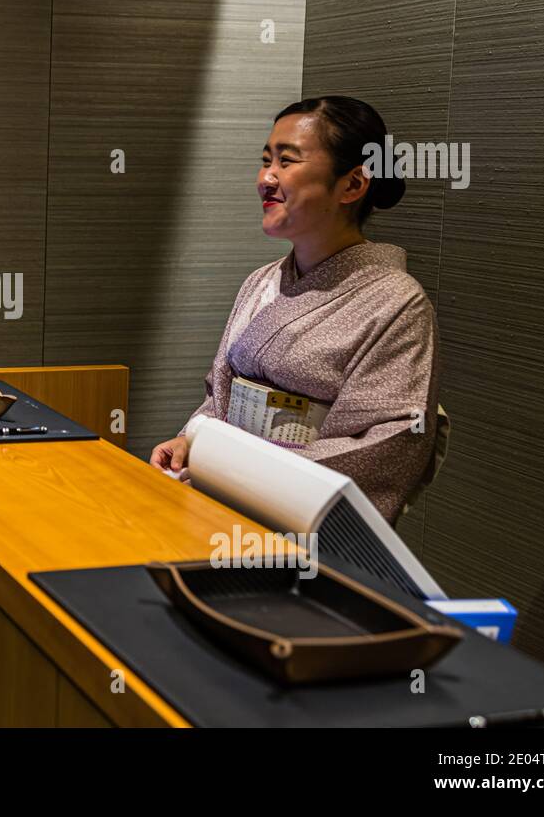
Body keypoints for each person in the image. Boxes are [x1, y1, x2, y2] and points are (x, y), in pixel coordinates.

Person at [150, 96, 439, 524]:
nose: (266, 178)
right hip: (220, 501)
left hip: (302, 529)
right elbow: (220, 395)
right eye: (266, 160)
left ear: (353, 185)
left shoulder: (397, 302)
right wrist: (191, 439)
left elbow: (383, 448)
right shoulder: (261, 282)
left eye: (287, 161)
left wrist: (235, 468)